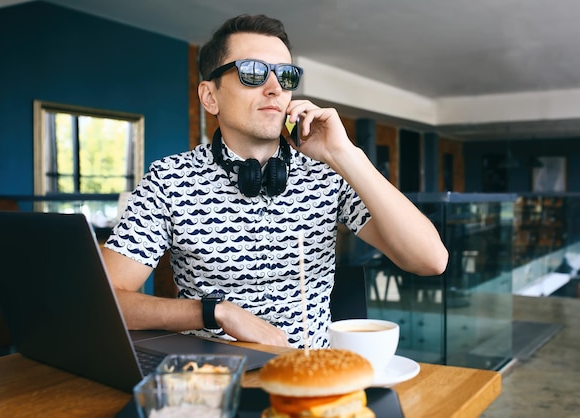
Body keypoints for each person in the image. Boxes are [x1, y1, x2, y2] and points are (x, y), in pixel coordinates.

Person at [102, 14, 448, 349]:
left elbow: (430, 260)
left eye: (285, 76)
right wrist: (212, 312)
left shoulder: (328, 172)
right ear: (210, 96)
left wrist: (346, 156)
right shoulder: (169, 180)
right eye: (252, 73)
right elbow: (106, 300)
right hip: (216, 380)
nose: (274, 89)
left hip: (311, 376)